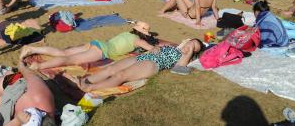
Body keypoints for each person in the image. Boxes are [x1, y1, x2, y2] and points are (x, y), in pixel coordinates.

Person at [76, 39, 204, 92]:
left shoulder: (183, 59)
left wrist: (191, 49)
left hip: (153, 64)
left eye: (193, 48)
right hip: (145, 56)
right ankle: (85, 80)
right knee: (111, 68)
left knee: (121, 75)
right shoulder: (175, 46)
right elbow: (158, 44)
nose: (189, 47)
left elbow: (179, 68)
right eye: (190, 43)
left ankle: (90, 87)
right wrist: (155, 47)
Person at [20, 21, 158, 70]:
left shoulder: (126, 34)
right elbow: (152, 49)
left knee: (65, 53)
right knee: (69, 60)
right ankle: (40, 66)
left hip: (97, 43)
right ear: (143, 34)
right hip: (102, 50)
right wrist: (153, 45)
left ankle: (32, 48)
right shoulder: (138, 41)